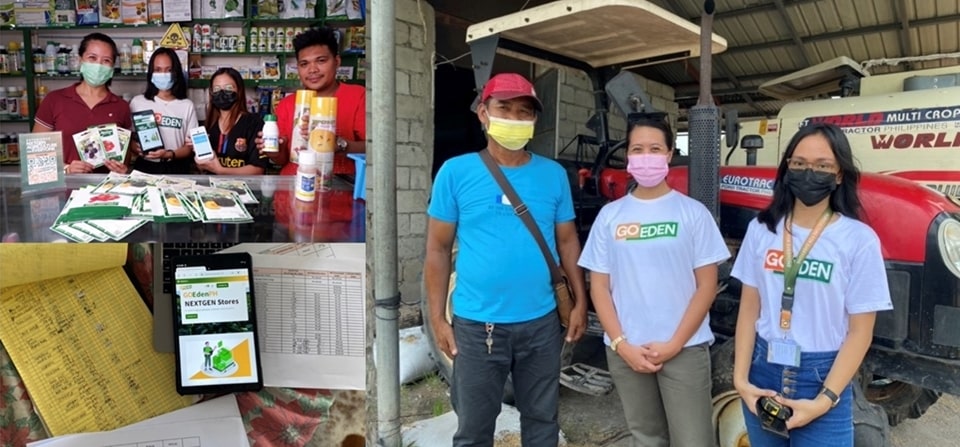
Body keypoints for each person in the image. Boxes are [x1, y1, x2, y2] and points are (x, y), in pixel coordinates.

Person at [424, 72, 588, 446]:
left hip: (542, 325)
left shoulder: (553, 175)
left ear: (534, 121)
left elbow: (567, 242)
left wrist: (580, 303)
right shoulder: (455, 172)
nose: (514, 118)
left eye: (524, 111)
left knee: (543, 422)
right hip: (478, 327)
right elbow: (436, 249)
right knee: (474, 429)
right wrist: (437, 318)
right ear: (483, 113)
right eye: (504, 108)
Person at [731, 123, 893, 446]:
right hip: (762, 374)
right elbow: (749, 310)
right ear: (787, 168)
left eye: (822, 166)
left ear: (839, 175)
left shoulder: (858, 241)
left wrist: (824, 400)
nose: (809, 173)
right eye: (799, 163)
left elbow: (861, 332)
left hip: (822, 379)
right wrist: (740, 380)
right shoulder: (762, 230)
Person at [577, 117, 731, 447]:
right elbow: (599, 286)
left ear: (669, 154)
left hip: (684, 350)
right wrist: (621, 344)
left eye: (655, 149)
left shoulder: (693, 213)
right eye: (637, 149)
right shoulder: (611, 216)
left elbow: (707, 286)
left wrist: (675, 343)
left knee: (694, 440)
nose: (646, 156)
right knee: (647, 438)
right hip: (627, 350)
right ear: (628, 158)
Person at [258, 26, 365, 176]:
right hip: (292, 185)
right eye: (304, 64)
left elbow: (376, 148)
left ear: (337, 61)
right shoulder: (287, 103)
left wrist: (340, 144)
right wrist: (274, 150)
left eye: (321, 61)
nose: (312, 69)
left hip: (340, 186)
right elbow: (282, 160)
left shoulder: (358, 95)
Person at [33, 32, 132, 174]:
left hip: (106, 191)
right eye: (92, 58)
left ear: (112, 68)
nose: (98, 65)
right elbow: (36, 154)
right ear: (80, 60)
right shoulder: (54, 100)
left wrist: (122, 169)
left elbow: (125, 157)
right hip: (64, 189)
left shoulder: (121, 106)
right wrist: (66, 169)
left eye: (106, 60)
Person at [129, 47, 198, 175]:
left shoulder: (186, 105)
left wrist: (168, 154)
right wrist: (136, 147)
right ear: (151, 73)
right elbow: (128, 138)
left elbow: (189, 148)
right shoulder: (137, 102)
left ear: (176, 73)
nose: (163, 74)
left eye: (169, 70)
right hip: (145, 167)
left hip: (176, 167)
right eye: (158, 70)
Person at [195, 68, 268, 175]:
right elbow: (203, 167)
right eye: (216, 89)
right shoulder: (208, 125)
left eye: (228, 88)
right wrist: (199, 159)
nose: (222, 92)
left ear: (239, 90)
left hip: (243, 189)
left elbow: (258, 169)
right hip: (211, 189)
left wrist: (220, 170)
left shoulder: (254, 123)